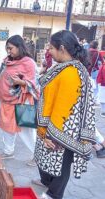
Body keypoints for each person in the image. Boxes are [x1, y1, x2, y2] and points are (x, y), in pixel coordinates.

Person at [33, 30, 95, 199]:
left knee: (61, 164)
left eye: (51, 48)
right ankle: (48, 184)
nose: (49, 52)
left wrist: (47, 134)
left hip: (62, 130)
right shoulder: (65, 67)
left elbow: (62, 108)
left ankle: (54, 194)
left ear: (62, 48)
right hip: (56, 127)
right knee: (52, 161)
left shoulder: (71, 72)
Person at [0, 35, 39, 162]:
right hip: (7, 102)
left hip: (22, 102)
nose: (8, 51)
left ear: (19, 47)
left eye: (11, 48)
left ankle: (38, 156)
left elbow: (35, 83)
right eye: (7, 48)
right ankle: (8, 151)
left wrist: (21, 82)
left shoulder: (29, 63)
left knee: (26, 132)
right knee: (7, 129)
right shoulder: (6, 61)